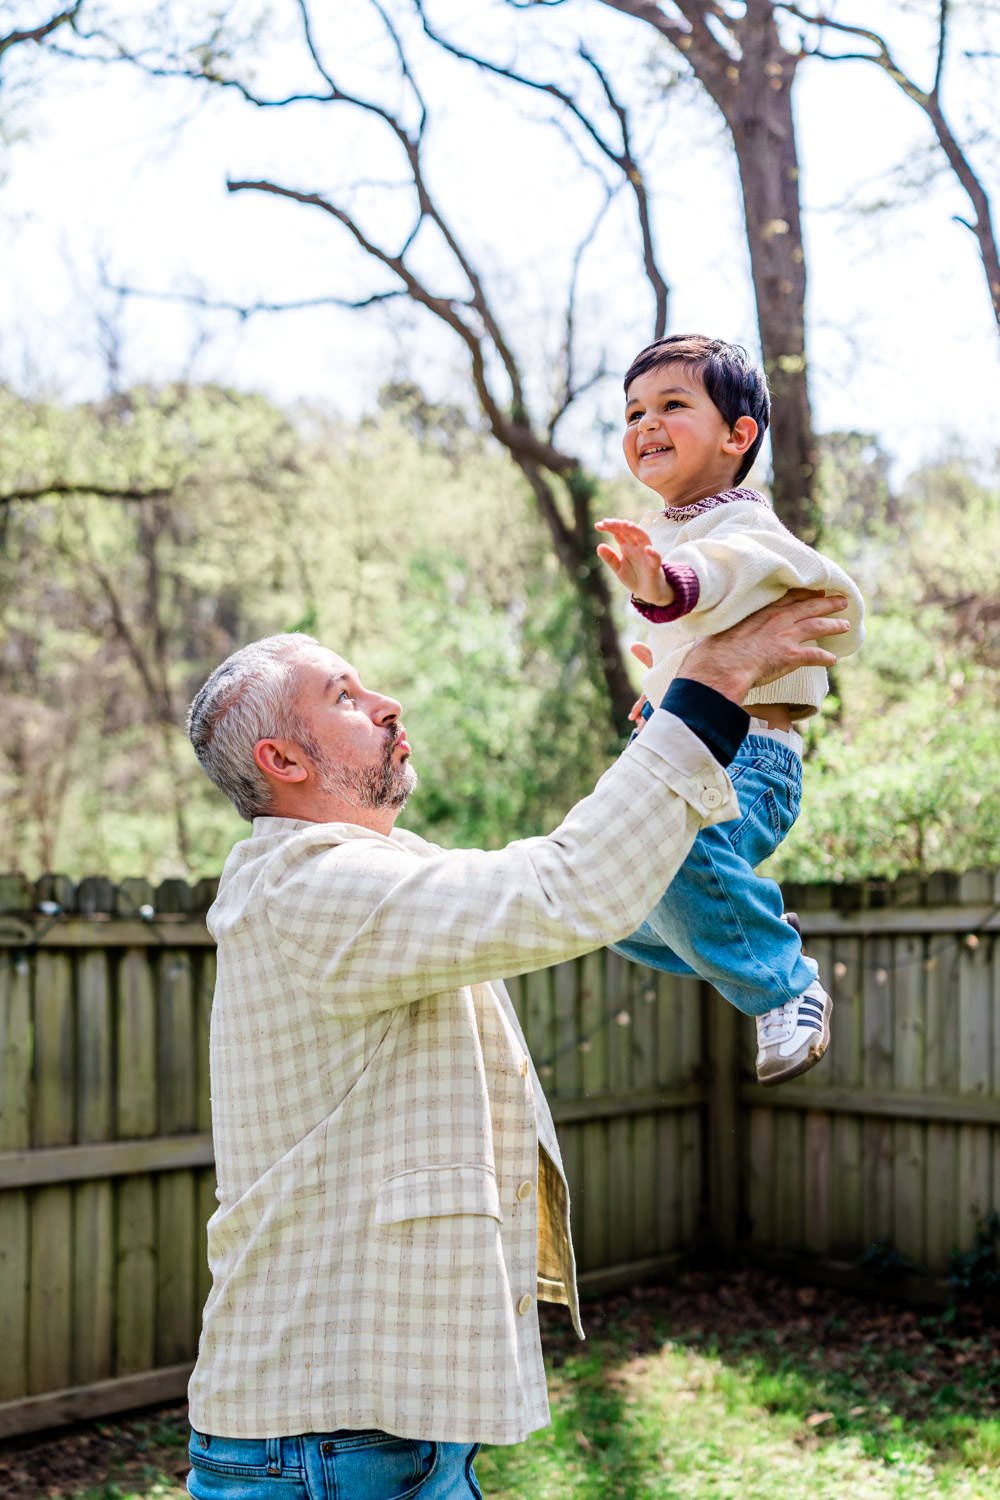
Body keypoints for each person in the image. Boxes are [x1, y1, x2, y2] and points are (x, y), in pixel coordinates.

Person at [183, 592, 850, 1500]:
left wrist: (718, 880)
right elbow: (565, 888)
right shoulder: (307, 890)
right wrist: (708, 687)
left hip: (375, 1441)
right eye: (344, 696)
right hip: (324, 1454)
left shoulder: (375, 874)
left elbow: (602, 896)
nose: (386, 703)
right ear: (283, 760)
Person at [595, 333, 865, 1087]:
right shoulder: (666, 532)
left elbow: (721, 572)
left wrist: (666, 582)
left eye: (672, 405)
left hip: (749, 758)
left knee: (673, 851)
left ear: (737, 435)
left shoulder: (742, 526)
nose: (647, 424)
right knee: (610, 894)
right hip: (684, 744)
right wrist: (657, 690)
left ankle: (784, 985)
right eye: (633, 412)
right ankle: (748, 922)